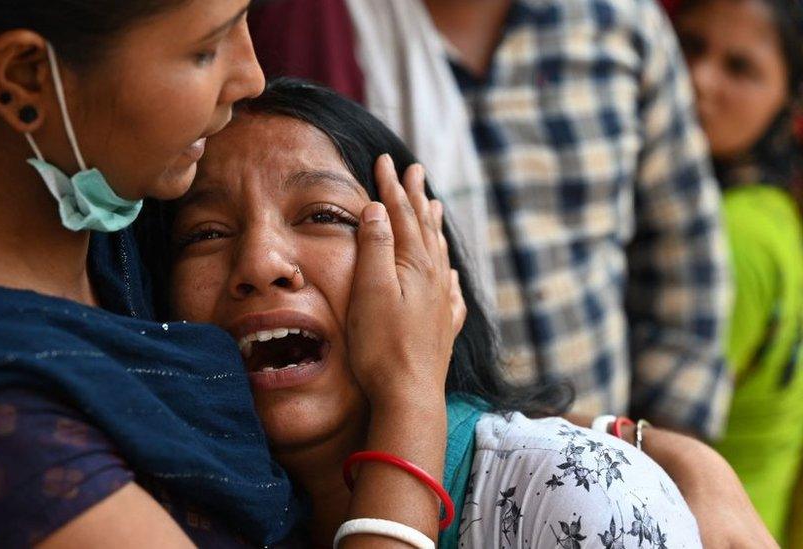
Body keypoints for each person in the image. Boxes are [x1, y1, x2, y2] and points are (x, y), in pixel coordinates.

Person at [0, 2, 466, 546]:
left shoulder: (103, 219)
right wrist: (410, 402)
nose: (251, 76)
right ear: (26, 78)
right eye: (206, 49)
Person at [152, 78, 772, 548]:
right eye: (205, 233)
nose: (259, 261)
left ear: (427, 269)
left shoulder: (570, 497)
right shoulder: (153, 511)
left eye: (322, 216)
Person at [249, 0, 733, 441]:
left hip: (607, 467)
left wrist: (660, 457)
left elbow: (685, 259)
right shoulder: (323, 30)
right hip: (412, 468)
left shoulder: (619, 22)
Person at [670, 0, 803, 544]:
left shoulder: (730, 238)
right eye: (692, 45)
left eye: (740, 68)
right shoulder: (771, 212)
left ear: (788, 101)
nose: (699, 79)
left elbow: (663, 431)